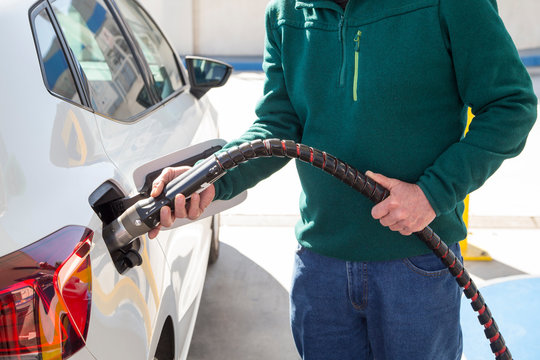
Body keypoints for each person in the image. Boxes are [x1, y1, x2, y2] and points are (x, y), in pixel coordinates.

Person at [149, 0, 537, 358]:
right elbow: (277, 124)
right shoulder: (287, 12)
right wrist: (210, 176)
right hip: (320, 268)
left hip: (417, 263)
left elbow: (510, 105)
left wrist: (432, 194)